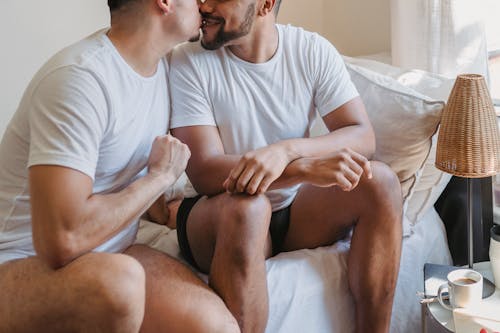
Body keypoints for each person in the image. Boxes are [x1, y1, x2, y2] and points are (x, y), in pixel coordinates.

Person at [0, 1, 240, 332]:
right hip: (19, 261)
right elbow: (62, 242)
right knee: (119, 284)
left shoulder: (167, 69)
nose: (203, 2)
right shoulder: (80, 79)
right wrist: (159, 178)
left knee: (217, 327)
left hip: (114, 248)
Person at [169, 0, 404, 332]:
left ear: (265, 4)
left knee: (380, 181)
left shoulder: (311, 50)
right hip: (221, 211)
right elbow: (206, 172)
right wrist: (301, 169)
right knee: (248, 210)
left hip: (294, 211)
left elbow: (363, 136)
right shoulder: (187, 60)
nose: (203, 4)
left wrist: (288, 150)